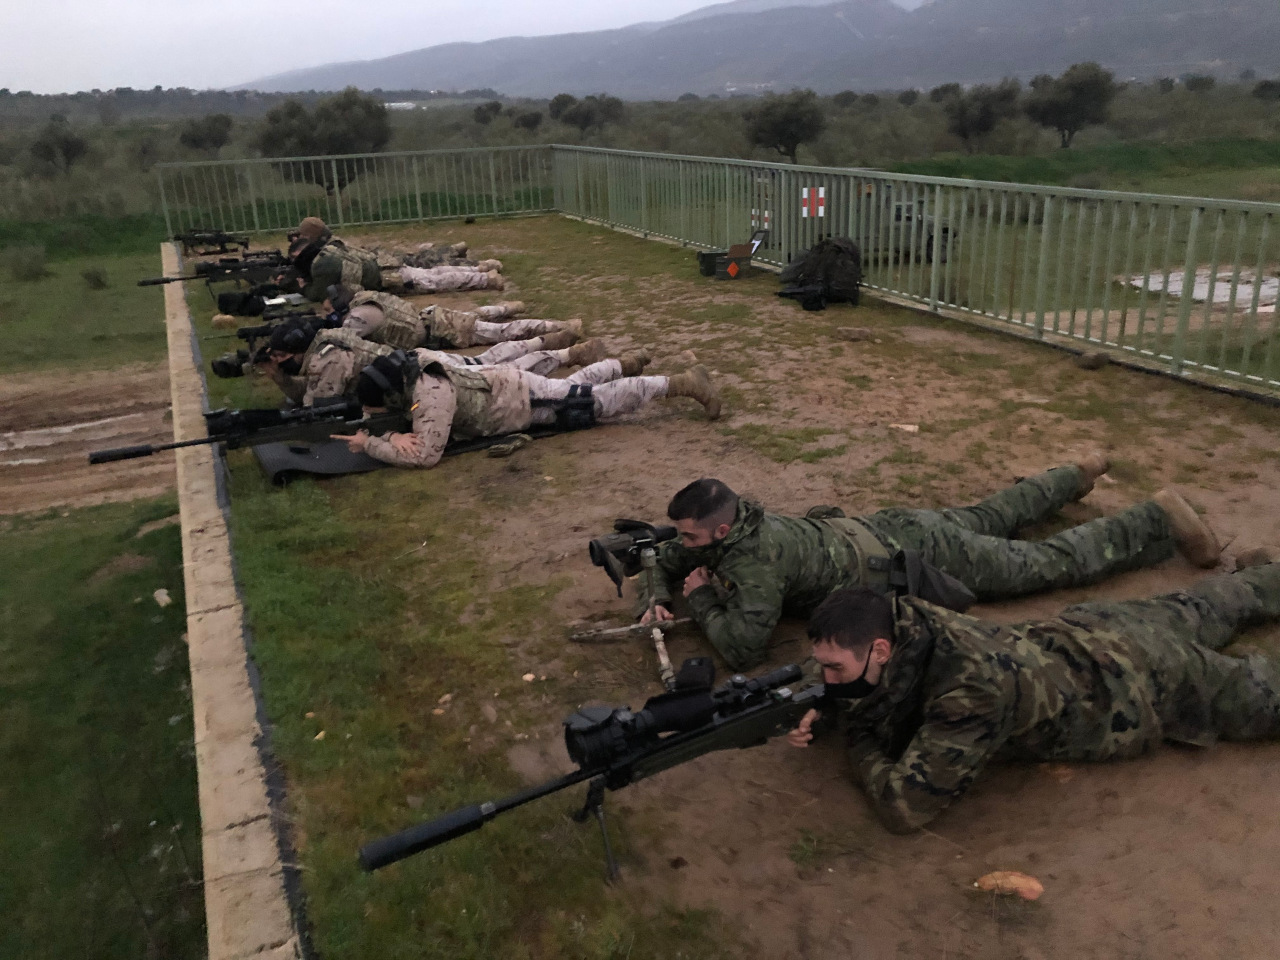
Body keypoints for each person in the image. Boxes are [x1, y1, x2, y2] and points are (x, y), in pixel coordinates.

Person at [788, 565, 1280, 834]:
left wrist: (857, 734)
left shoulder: (969, 693)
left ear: (879, 650)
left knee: (1262, 696)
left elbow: (904, 807)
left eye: (835, 671)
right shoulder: (903, 618)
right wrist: (824, 696)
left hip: (1140, 684)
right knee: (1208, 603)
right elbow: (842, 655)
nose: (828, 677)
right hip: (1094, 626)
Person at [637, 468, 1222, 670]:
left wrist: (704, 600)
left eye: (691, 536)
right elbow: (662, 557)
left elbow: (744, 648)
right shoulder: (734, 526)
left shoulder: (756, 559)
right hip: (893, 525)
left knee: (1040, 564)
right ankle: (1075, 473)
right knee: (990, 515)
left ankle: (1152, 517)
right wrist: (658, 594)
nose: (683, 544)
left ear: (720, 529)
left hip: (914, 556)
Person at [333, 350, 720, 468]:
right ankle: (624, 364)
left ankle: (683, 384)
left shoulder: (429, 392)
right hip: (506, 387)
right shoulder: (413, 368)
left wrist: (372, 443)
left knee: (593, 404)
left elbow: (425, 455)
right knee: (570, 389)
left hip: (513, 401)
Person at [260, 319, 609, 406]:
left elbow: (319, 404)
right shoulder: (326, 339)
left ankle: (564, 353)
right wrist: (283, 377)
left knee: (496, 371)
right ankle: (553, 346)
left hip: (421, 370)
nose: (279, 362)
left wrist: (286, 386)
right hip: (417, 364)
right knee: (484, 362)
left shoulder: (327, 358)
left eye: (280, 357)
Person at [287, 217, 504, 301]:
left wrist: (301, 286)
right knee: (432, 274)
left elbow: (317, 293)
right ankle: (480, 271)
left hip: (388, 277)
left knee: (434, 280)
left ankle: (485, 278)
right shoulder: (332, 247)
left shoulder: (323, 262)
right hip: (385, 265)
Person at [326, 285, 583, 351]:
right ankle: (508, 307)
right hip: (431, 316)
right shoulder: (365, 298)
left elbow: (345, 339)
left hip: (440, 329)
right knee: (478, 318)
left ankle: (561, 327)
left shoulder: (358, 315)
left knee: (502, 332)